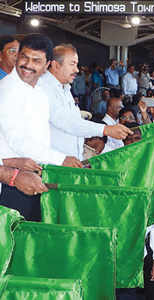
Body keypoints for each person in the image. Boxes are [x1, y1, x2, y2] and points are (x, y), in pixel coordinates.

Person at [0, 34, 80, 221]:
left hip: (34, 175)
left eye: (36, 61)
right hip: (13, 182)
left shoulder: (39, 93)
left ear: (47, 65)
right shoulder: (8, 91)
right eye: (24, 57)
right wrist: (61, 159)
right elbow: (18, 141)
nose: (28, 65)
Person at [39, 44, 131, 161]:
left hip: (69, 161)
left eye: (76, 65)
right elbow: (67, 123)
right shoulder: (45, 88)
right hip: (54, 163)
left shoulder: (65, 88)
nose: (76, 70)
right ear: (56, 65)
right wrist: (106, 130)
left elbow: (74, 121)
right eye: (72, 64)